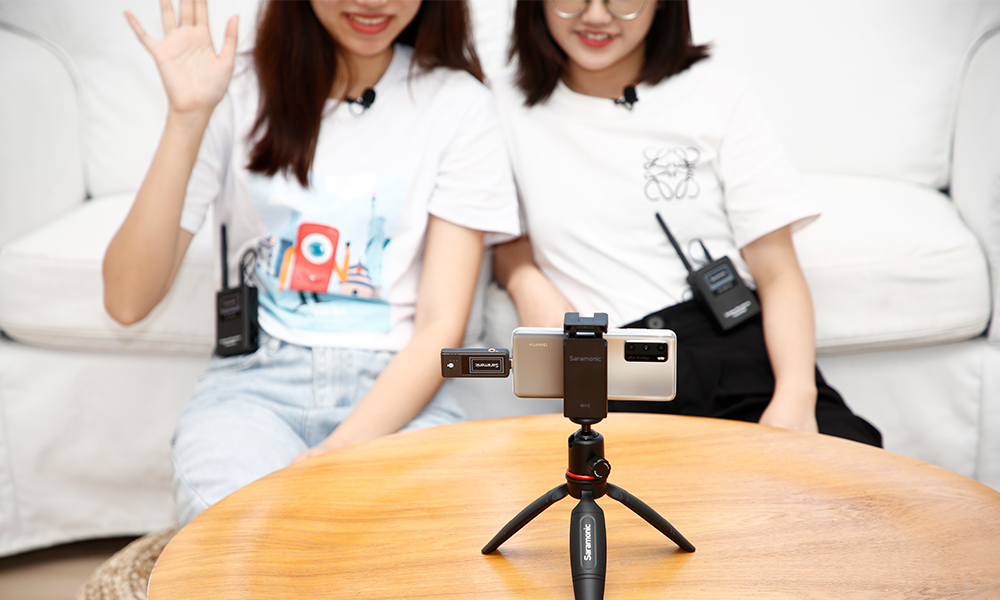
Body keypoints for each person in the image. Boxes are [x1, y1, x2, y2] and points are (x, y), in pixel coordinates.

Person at [104, 0, 520, 525]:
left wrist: (338, 452)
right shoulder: (231, 89)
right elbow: (126, 302)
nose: (374, 3)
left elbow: (441, 327)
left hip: (398, 394)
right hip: (255, 386)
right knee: (236, 537)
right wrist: (187, 119)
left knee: (419, 543)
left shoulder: (458, 104)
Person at [491, 0, 881, 446]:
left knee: (858, 473)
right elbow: (506, 244)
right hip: (621, 367)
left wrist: (795, 397)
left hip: (733, 346)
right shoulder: (499, 104)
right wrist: (533, 291)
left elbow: (777, 272)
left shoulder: (717, 91)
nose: (596, 16)